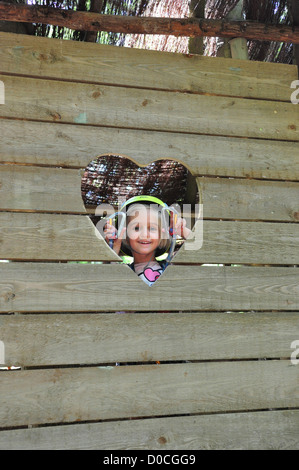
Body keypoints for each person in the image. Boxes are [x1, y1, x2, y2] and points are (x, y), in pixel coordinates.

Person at [104, 196, 191, 286]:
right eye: (136, 228)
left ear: (162, 235)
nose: (144, 234)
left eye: (152, 228)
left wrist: (182, 231)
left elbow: (202, 254)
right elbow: (106, 277)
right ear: (126, 236)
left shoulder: (171, 267)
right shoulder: (123, 272)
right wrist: (114, 248)